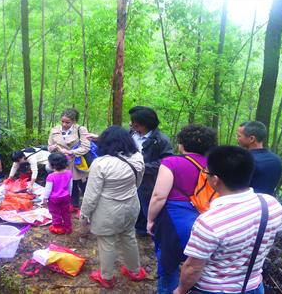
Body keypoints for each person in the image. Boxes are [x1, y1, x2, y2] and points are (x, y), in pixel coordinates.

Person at [173, 145, 282, 294]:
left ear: (216, 179)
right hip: (254, 286)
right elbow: (277, 235)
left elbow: (193, 268)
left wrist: (180, 290)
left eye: (206, 172)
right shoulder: (271, 204)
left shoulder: (209, 222)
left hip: (213, 290)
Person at [147, 124, 218, 294]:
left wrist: (150, 219)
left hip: (174, 219)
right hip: (209, 218)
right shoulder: (216, 163)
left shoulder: (172, 162)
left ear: (182, 143)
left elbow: (159, 196)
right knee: (198, 262)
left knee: (168, 261)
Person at [79, 125, 147, 288]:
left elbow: (91, 195)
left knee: (107, 242)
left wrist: (84, 215)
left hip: (107, 210)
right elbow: (138, 181)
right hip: (131, 205)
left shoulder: (100, 163)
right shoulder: (137, 156)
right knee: (129, 236)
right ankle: (134, 270)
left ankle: (107, 277)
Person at [129, 106, 174, 234]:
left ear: (146, 124)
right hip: (131, 179)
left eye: (134, 121)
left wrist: (143, 168)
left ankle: (153, 233)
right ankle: (140, 229)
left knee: (147, 206)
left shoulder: (160, 140)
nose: (130, 123)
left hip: (148, 181)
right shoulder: (131, 134)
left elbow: (167, 161)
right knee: (134, 205)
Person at [48, 108, 90, 218]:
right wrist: (51, 148)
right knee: (70, 184)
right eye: (62, 121)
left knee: (83, 184)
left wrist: (71, 152)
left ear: (74, 121)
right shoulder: (54, 130)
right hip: (63, 163)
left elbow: (86, 147)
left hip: (78, 162)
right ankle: (74, 205)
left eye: (67, 122)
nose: (64, 124)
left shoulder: (81, 129)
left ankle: (85, 209)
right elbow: (49, 145)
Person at [236, 121, 282, 195]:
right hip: (267, 203)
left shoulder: (244, 160)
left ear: (251, 139)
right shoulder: (276, 159)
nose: (236, 138)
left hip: (246, 204)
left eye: (239, 136)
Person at [43, 153, 73, 235]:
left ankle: (58, 227)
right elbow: (70, 186)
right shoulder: (69, 173)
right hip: (66, 196)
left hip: (54, 199)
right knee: (66, 213)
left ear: (53, 165)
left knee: (55, 213)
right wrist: (69, 194)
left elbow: (48, 189)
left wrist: (45, 198)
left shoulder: (51, 176)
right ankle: (68, 228)